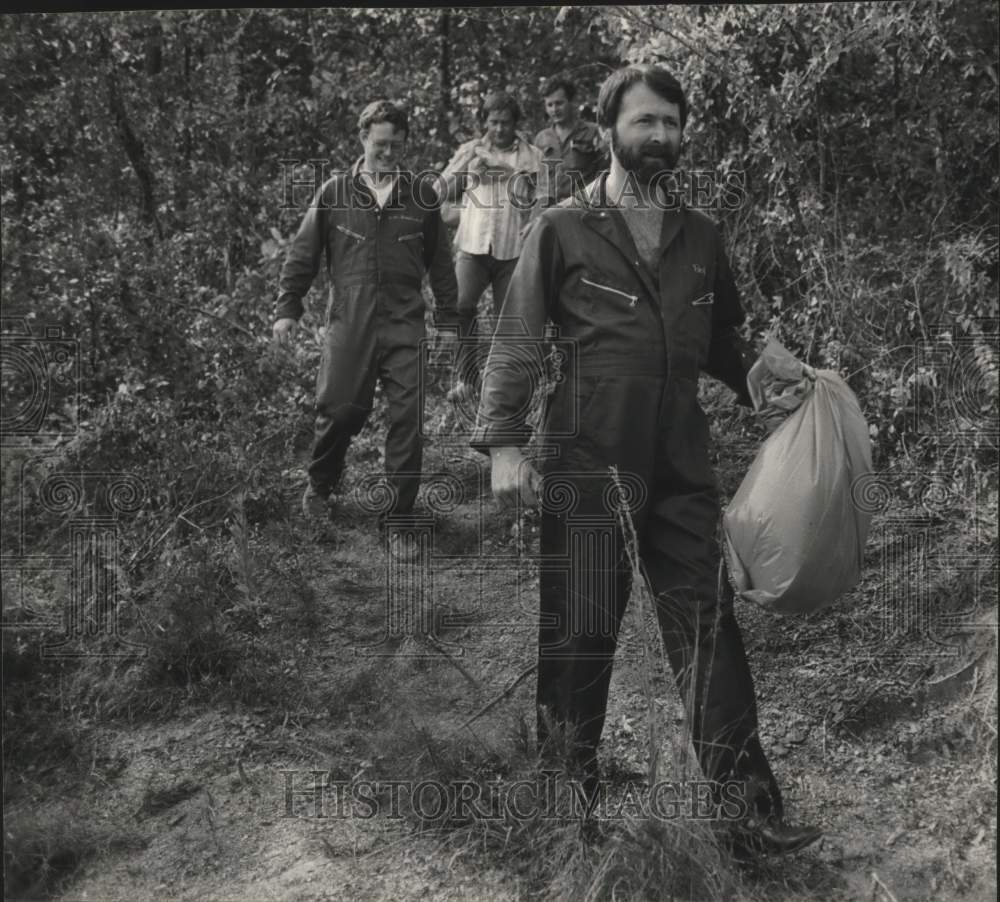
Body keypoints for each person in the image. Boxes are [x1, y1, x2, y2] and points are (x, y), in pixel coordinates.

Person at [471, 65, 822, 856]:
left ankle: (749, 816)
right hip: (587, 460)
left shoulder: (701, 234)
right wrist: (502, 443)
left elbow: (722, 338)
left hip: (679, 464)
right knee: (579, 636)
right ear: (607, 131)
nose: (660, 135)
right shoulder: (562, 227)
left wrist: (762, 374)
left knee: (709, 629)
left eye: (670, 121)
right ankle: (566, 808)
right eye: (644, 123)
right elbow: (518, 337)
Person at [273, 100, 459, 550]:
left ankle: (398, 520)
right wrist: (287, 308)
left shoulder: (421, 196)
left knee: (408, 421)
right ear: (362, 139)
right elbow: (303, 253)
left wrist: (450, 320)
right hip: (349, 320)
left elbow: (441, 264)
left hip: (404, 322)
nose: (389, 153)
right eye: (380, 144)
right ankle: (320, 485)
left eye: (397, 145)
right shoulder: (334, 193)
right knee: (338, 410)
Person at [440, 91, 543, 403]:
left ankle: (502, 388)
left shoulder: (532, 155)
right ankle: (465, 378)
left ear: (515, 124)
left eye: (506, 123)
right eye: (494, 122)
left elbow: (543, 199)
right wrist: (461, 204)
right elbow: (439, 190)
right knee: (460, 307)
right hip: (473, 246)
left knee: (508, 319)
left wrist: (516, 181)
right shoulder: (471, 151)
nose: (499, 129)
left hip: (512, 248)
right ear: (484, 122)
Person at [533, 74, 607, 205]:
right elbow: (537, 182)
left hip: (584, 209)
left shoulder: (593, 132)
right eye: (549, 105)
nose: (554, 110)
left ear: (571, 102)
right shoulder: (542, 139)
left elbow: (606, 173)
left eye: (559, 103)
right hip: (552, 212)